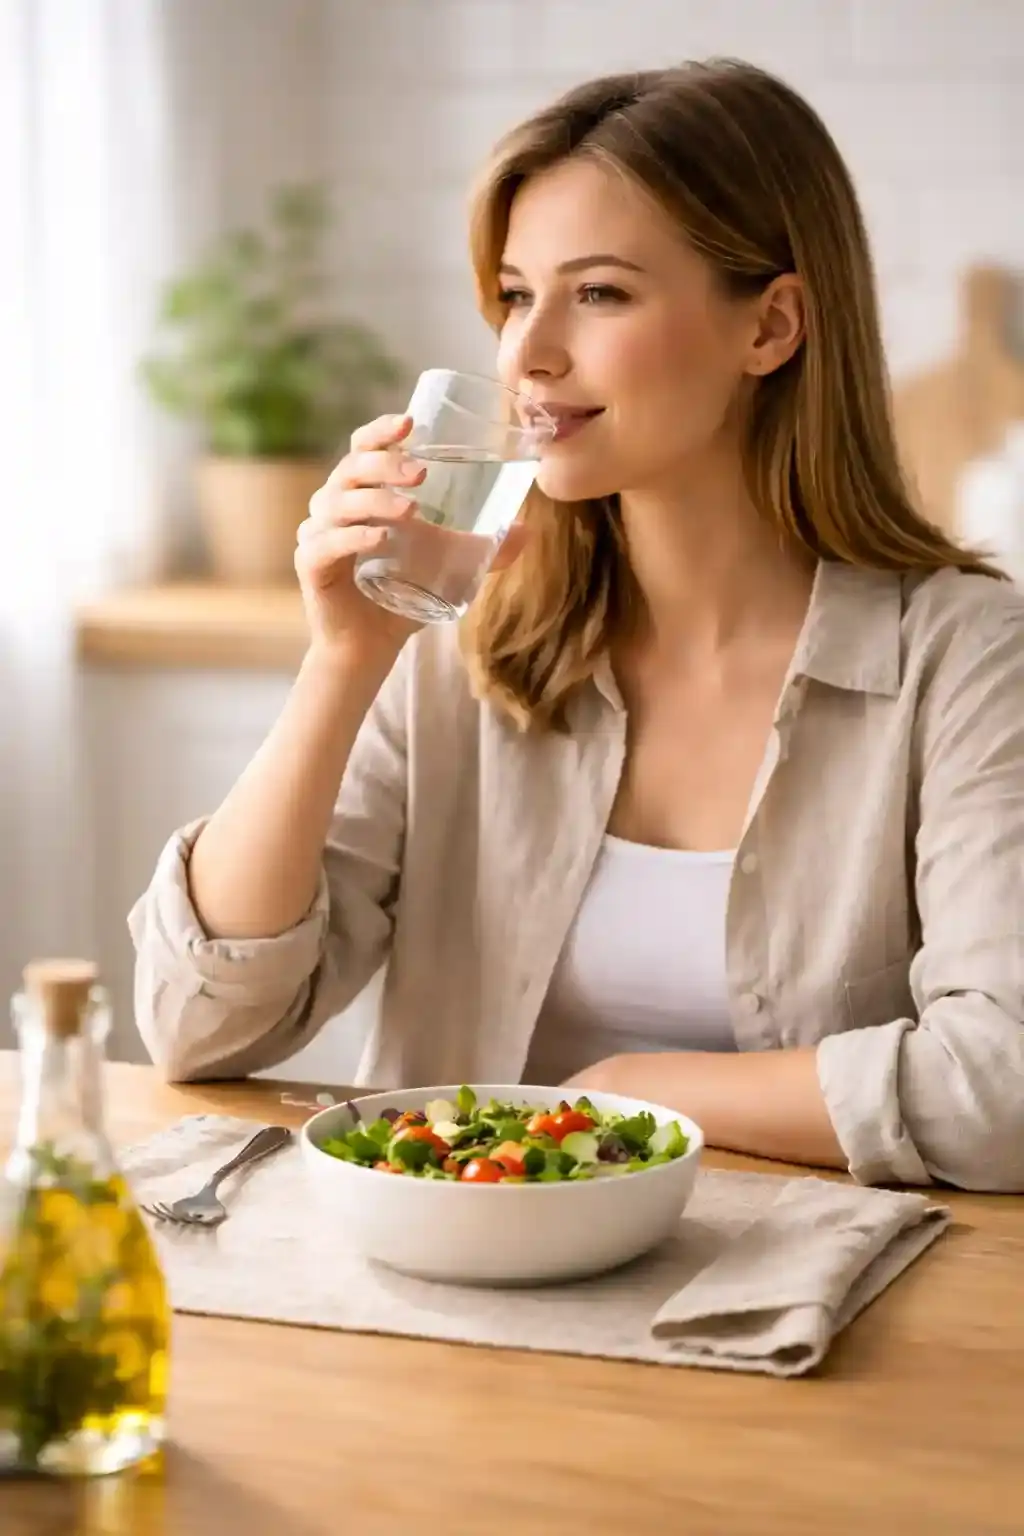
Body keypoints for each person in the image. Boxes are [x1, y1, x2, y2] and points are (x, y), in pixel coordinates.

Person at [129, 59, 1024, 1192]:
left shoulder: (963, 659)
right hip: (453, 1298)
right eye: (513, 295)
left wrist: (628, 1094)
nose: (528, 353)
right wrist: (342, 664)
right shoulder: (460, 644)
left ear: (772, 327)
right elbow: (199, 1025)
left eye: (598, 294)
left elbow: (1003, 1086)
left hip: (812, 1314)